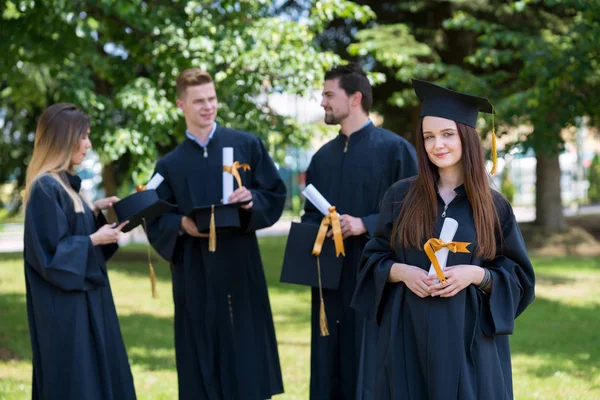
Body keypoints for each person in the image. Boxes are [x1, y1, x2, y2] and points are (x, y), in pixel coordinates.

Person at [351, 79, 536, 399]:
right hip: (407, 335)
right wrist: (402, 272)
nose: (438, 144)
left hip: (471, 340)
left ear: (466, 136)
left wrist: (476, 275)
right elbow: (373, 259)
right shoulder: (401, 196)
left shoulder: (493, 206)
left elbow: (518, 278)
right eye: (429, 136)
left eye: (448, 134)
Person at [145, 68, 286, 399]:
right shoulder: (170, 164)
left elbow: (275, 194)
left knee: (245, 346)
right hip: (195, 270)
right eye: (198, 101)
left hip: (240, 264)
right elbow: (154, 215)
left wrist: (252, 200)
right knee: (200, 346)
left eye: (211, 98)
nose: (207, 106)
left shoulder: (246, 145)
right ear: (181, 105)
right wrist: (180, 223)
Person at [302, 64, 418, 400]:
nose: (322, 102)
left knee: (371, 365)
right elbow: (310, 214)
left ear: (355, 98)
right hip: (330, 280)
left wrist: (366, 223)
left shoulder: (395, 151)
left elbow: (414, 212)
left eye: (328, 94)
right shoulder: (321, 158)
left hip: (376, 276)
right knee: (329, 362)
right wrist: (320, 227)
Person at [23, 103, 136, 400]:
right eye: (83, 136)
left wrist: (94, 213)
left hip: (89, 304)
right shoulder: (45, 188)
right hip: (66, 313)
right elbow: (49, 257)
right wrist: (93, 240)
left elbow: (73, 232)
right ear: (63, 138)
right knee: (77, 383)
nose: (88, 144)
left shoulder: (69, 187)